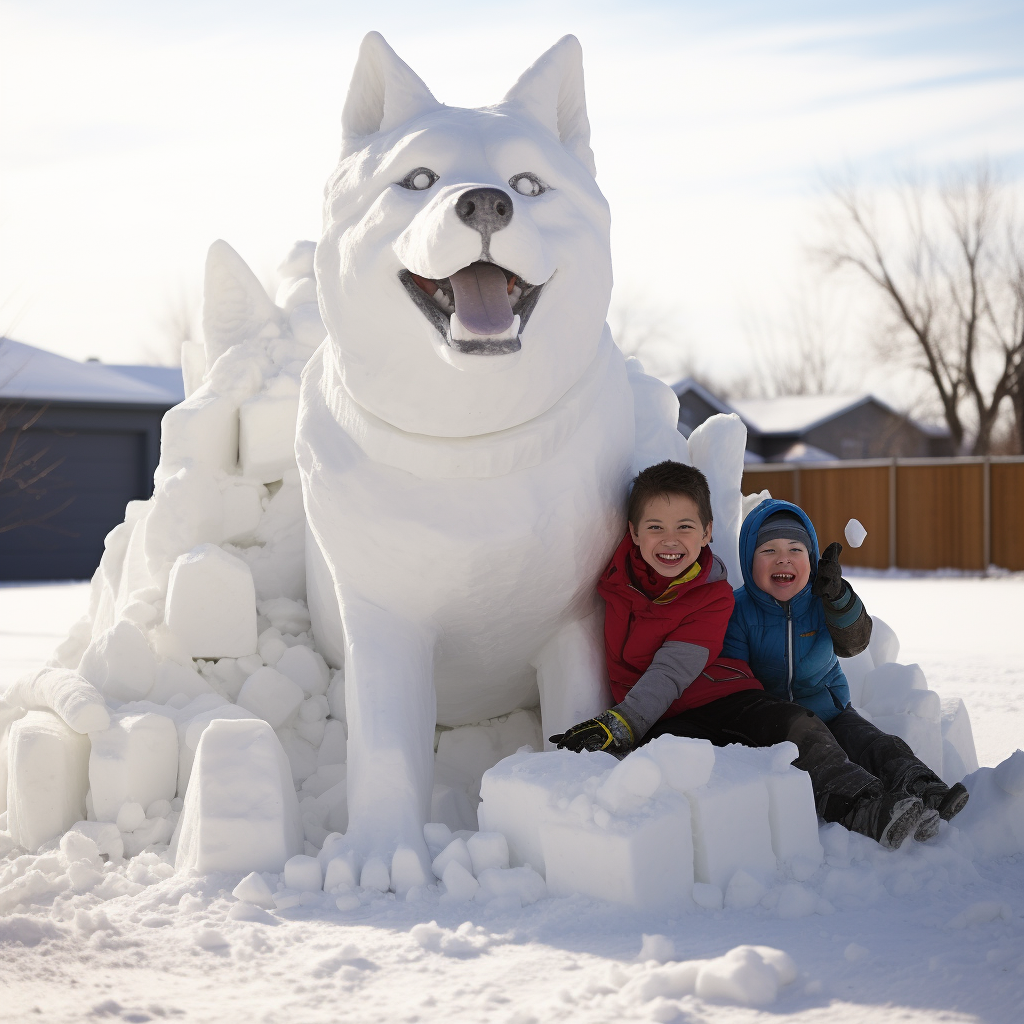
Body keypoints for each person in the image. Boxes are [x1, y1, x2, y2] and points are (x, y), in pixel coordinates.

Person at [551, 461, 930, 849]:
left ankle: (866, 805)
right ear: (632, 532)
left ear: (707, 532)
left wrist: (624, 721)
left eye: (685, 526)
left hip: (727, 697)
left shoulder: (713, 596)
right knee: (688, 770)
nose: (670, 540)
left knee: (798, 726)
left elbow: (674, 667)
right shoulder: (616, 584)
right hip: (665, 718)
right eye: (655, 527)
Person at [721, 498, 968, 838]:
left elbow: (855, 642)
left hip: (831, 709)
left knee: (874, 742)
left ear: (811, 560)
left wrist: (839, 597)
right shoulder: (739, 610)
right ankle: (869, 808)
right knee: (824, 758)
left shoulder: (823, 598)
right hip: (782, 724)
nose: (783, 559)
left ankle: (922, 788)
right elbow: (735, 678)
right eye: (768, 551)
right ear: (749, 560)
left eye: (795, 549)